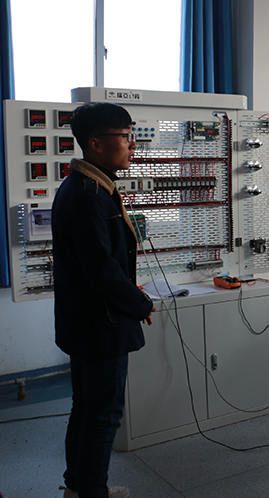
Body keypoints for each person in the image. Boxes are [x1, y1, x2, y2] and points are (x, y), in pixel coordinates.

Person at [53, 102, 155, 497]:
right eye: (126, 137)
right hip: (102, 326)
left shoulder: (86, 187)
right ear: (95, 143)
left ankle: (80, 487)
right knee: (103, 416)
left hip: (86, 322)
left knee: (86, 408)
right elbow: (101, 270)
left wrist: (130, 294)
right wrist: (140, 304)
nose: (133, 145)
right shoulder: (87, 195)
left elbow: (97, 264)